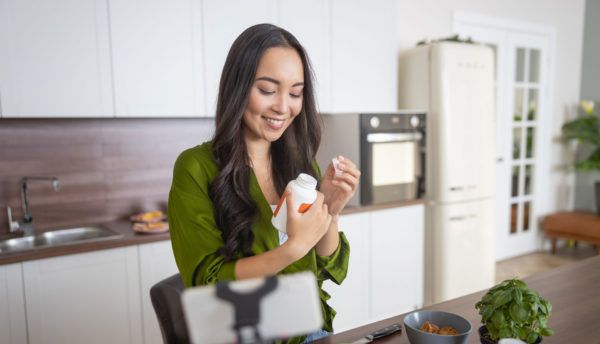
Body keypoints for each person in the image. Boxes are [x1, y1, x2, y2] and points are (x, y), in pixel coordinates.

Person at [168, 23, 360, 344]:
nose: (283, 107)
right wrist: (293, 248)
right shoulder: (195, 167)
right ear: (238, 87)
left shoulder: (300, 164)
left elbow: (325, 265)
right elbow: (207, 282)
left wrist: (331, 209)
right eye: (268, 90)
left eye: (295, 93)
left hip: (308, 330)